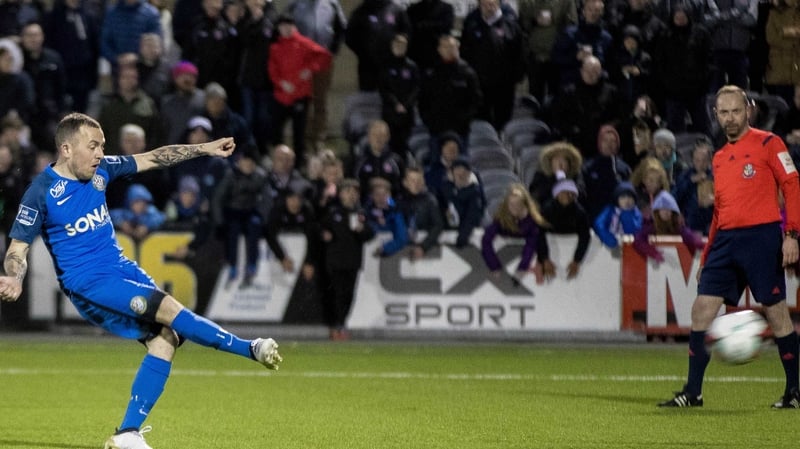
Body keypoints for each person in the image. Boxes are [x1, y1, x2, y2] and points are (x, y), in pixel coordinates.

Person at [0, 112, 282, 448]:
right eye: (92, 146)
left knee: (168, 338)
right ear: (66, 149)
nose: (100, 153)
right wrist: (14, 277)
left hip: (121, 267)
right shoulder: (41, 192)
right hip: (88, 283)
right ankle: (251, 348)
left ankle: (127, 434)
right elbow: (17, 247)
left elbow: (153, 157)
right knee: (167, 308)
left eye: (102, 145)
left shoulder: (102, 169)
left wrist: (205, 148)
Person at [659, 85, 800, 409]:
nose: (730, 118)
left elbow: (792, 186)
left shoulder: (769, 143)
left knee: (776, 312)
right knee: (701, 310)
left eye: (736, 111)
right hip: (725, 241)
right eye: (724, 113)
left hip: (762, 238)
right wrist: (707, 256)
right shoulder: (720, 158)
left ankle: (793, 390)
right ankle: (692, 393)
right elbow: (720, 211)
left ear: (747, 110)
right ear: (716, 115)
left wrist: (791, 234)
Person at [268, 14, 332, 169]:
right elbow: (272, 69)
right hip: (281, 96)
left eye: (288, 25)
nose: (285, 29)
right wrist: (281, 83)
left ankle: (298, 165)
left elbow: (325, 56)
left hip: (300, 96)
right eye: (282, 26)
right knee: (276, 131)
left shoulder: (304, 43)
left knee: (299, 133)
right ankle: (278, 162)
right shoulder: (275, 47)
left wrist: (310, 69)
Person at [319, 178, 375, 340]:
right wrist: (324, 234)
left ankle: (341, 324)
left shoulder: (361, 214)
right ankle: (336, 325)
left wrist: (361, 230)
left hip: (352, 261)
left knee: (348, 294)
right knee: (336, 294)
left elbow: (370, 234)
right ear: (341, 194)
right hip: (335, 260)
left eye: (354, 192)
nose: (351, 195)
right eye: (348, 191)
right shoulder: (333, 212)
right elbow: (319, 228)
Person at [212, 146, 268, 288]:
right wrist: (219, 222)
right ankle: (232, 265)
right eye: (245, 162)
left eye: (250, 163)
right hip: (233, 212)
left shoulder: (260, 176)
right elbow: (218, 199)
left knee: (254, 226)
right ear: (239, 162)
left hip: (250, 212)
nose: (248, 166)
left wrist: (263, 217)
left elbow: (267, 199)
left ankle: (251, 265)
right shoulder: (231, 176)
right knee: (233, 230)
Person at [481, 183, 547, 283]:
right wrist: (494, 266)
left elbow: (530, 246)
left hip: (523, 258)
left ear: (524, 204)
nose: (514, 208)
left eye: (518, 205)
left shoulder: (532, 222)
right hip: (501, 256)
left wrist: (522, 268)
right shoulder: (502, 218)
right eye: (511, 205)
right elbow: (486, 239)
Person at [537, 177, 591, 279]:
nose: (568, 196)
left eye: (572, 193)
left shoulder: (580, 213)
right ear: (557, 194)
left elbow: (585, 236)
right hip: (551, 249)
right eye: (565, 192)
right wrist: (544, 258)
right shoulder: (546, 210)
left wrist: (577, 260)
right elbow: (538, 233)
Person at [632, 190, 704, 262]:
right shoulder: (650, 226)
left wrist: (702, 245)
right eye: (663, 209)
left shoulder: (677, 227)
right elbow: (638, 240)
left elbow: (689, 236)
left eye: (669, 210)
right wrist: (653, 253)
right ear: (657, 212)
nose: (666, 212)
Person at [397, 166, 443, 261]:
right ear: (405, 183)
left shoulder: (430, 201)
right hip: (400, 250)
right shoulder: (398, 201)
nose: (416, 184)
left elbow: (438, 225)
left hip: (426, 250)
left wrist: (423, 246)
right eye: (412, 180)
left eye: (419, 180)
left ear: (423, 182)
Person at [672, 136, 714, 235]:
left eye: (704, 160)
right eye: (697, 160)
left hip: (711, 226)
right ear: (692, 159)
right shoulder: (685, 175)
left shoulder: (717, 176)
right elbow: (674, 196)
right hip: (688, 225)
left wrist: (716, 200)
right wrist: (691, 181)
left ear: (710, 160)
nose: (700, 164)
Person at [592, 181, 643, 252]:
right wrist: (610, 240)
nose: (627, 200)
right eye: (623, 197)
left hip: (630, 250)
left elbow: (634, 230)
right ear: (617, 199)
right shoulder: (609, 210)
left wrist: (626, 214)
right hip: (608, 248)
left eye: (630, 197)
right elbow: (599, 224)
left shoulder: (636, 213)